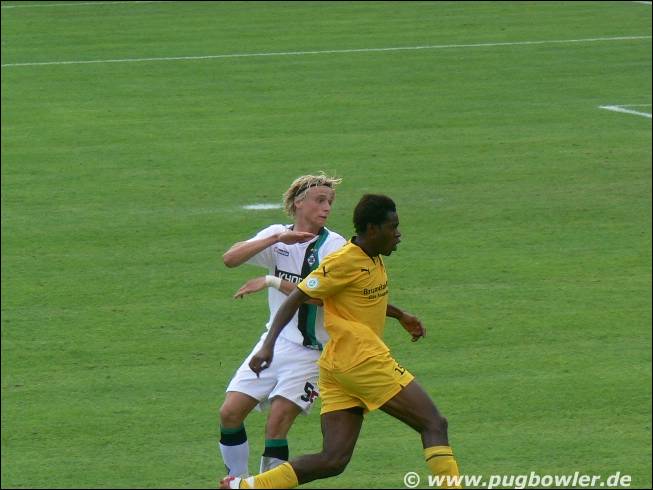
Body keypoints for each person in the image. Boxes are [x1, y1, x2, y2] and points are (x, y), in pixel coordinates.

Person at [220, 194, 461, 489]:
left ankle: (244, 486)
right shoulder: (344, 261)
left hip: (336, 367)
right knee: (434, 424)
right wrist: (268, 345)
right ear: (372, 229)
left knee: (333, 459)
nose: (398, 234)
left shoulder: (371, 255)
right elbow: (297, 297)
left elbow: (360, 299)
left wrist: (400, 315)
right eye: (393, 227)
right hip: (362, 361)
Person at [218, 173, 347, 478]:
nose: (327, 207)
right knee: (229, 413)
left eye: (330, 201)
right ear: (299, 203)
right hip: (275, 343)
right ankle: (236, 482)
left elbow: (323, 299)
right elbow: (230, 259)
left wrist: (271, 280)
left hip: (314, 353)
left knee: (276, 424)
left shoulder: (335, 246)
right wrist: (275, 239)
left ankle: (266, 485)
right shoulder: (278, 236)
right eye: (320, 200)